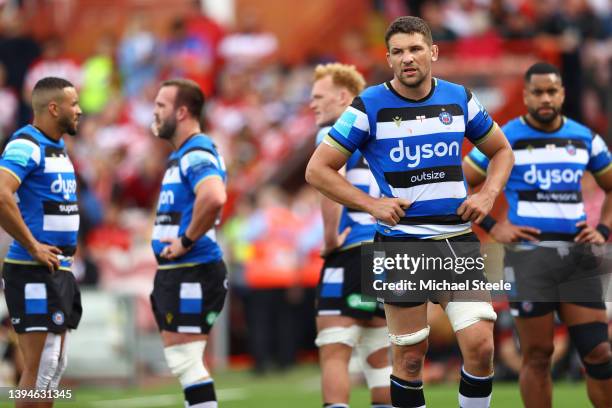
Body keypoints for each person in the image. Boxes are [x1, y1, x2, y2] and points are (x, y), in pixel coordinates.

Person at [306, 16, 514, 408]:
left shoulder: (460, 98)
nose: (408, 58)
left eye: (416, 49)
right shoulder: (367, 105)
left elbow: (502, 151)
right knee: (409, 360)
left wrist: (487, 195)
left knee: (481, 345)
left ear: (433, 52)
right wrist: (371, 204)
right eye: (398, 52)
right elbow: (317, 169)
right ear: (388, 59)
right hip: (400, 246)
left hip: (456, 242)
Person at [463, 62, 612, 408]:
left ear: (562, 94)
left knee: (600, 353)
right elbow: (459, 184)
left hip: (578, 257)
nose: (545, 98)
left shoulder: (584, 137)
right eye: (537, 92)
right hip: (528, 258)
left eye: (551, 91)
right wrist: (493, 226)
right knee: (538, 355)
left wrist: (603, 229)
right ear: (527, 95)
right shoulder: (505, 138)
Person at [310, 63, 391, 408]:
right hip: (386, 251)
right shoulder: (381, 132)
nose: (312, 104)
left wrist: (330, 238)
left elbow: (329, 179)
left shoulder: (335, 129)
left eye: (318, 97)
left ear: (343, 97)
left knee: (334, 348)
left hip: (351, 247)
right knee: (379, 355)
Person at [0, 77, 82, 407]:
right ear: (53, 108)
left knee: (52, 367)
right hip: (31, 269)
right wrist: (33, 245)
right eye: (73, 104)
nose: (79, 110)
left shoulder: (57, 148)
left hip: (56, 268)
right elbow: (2, 193)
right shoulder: (26, 144)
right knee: (39, 366)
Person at [149, 78, 228, 408]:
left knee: (186, 360)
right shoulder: (184, 153)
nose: (154, 113)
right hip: (183, 271)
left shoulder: (196, 150)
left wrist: (184, 240)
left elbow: (213, 197)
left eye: (160, 106)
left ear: (181, 113)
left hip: (191, 269)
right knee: (186, 361)